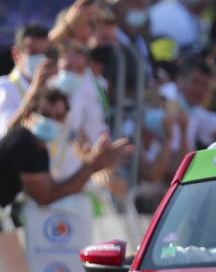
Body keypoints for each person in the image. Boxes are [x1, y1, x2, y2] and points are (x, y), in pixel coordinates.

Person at [0, 85, 131, 215]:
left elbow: (51, 189)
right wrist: (92, 166)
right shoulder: (23, 144)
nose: (51, 121)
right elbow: (45, 197)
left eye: (58, 116)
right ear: (28, 116)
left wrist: (91, 165)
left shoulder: (39, 147)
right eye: (45, 115)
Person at [0, 24, 51, 129]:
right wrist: (33, 93)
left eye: (44, 53)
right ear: (16, 54)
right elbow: (5, 132)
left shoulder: (51, 86)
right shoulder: (4, 87)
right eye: (33, 53)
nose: (40, 59)